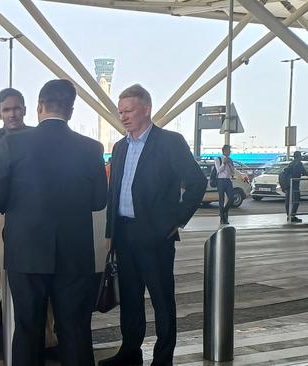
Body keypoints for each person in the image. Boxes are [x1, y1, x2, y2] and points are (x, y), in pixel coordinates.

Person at [0, 79, 108, 366]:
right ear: (71, 110)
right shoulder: (91, 148)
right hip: (75, 255)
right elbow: (98, 201)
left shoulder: (13, 143)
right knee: (75, 329)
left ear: (39, 106)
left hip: (26, 254)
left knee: (28, 329)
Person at [100, 84, 206, 366]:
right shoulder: (120, 147)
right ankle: (130, 352)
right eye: (120, 111)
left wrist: (176, 220)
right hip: (124, 234)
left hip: (156, 235)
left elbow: (197, 182)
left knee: (161, 300)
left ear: (146, 109)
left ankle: (163, 359)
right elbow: (114, 192)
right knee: (131, 300)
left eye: (129, 110)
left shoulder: (170, 142)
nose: (123, 116)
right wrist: (110, 233)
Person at [0, 88, 58, 351]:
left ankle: (49, 340)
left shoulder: (39, 138)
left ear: (25, 109)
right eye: (6, 110)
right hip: (6, 221)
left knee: (48, 286)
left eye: (16, 108)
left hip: (42, 222)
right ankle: (22, 346)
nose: (12, 114)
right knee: (12, 287)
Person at [215, 144, 235, 224]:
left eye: (230, 151)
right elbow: (218, 170)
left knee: (231, 198)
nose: (230, 152)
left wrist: (230, 164)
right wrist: (223, 163)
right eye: (228, 150)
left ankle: (223, 212)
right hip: (220, 181)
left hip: (228, 180)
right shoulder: (218, 159)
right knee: (221, 199)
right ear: (224, 151)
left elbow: (233, 172)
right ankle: (223, 219)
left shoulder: (230, 159)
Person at [285, 150, 307, 223]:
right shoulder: (299, 164)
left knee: (288, 200)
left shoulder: (290, 164)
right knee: (296, 200)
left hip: (288, 184)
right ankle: (293, 216)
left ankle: (289, 215)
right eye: (300, 156)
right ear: (299, 156)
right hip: (295, 184)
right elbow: (304, 172)